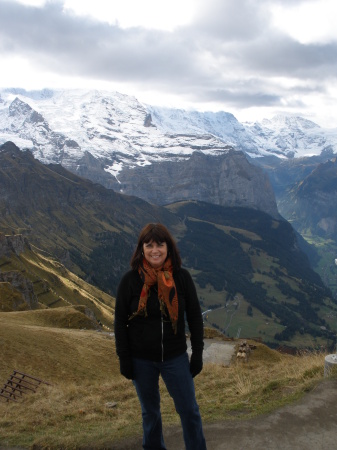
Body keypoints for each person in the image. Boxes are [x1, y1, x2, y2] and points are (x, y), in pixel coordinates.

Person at [114, 223, 207, 450]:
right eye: (149, 245)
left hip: (175, 357)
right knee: (150, 414)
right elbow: (119, 323)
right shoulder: (130, 281)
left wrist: (197, 354)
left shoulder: (181, 278)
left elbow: (194, 317)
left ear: (169, 248)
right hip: (141, 360)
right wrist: (124, 358)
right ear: (141, 249)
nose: (155, 250)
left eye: (160, 245)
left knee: (189, 410)